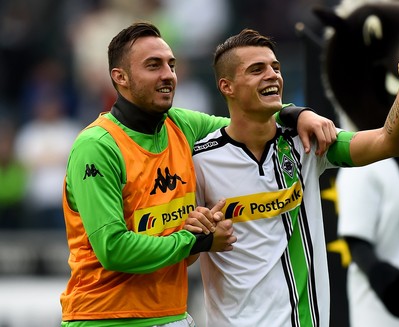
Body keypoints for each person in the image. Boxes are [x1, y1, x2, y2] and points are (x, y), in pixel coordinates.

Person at [60, 22, 337, 327]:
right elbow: (113, 249)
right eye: (153, 66)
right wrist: (195, 241)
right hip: (105, 318)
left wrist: (297, 113)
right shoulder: (97, 147)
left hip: (173, 315)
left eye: (171, 65)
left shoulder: (181, 125)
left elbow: (251, 116)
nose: (168, 75)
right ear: (120, 77)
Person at [185, 28, 399, 327]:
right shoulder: (201, 158)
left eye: (275, 67)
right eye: (256, 69)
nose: (272, 75)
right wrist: (199, 238)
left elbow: (390, 142)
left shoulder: (306, 141)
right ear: (227, 86)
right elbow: (186, 257)